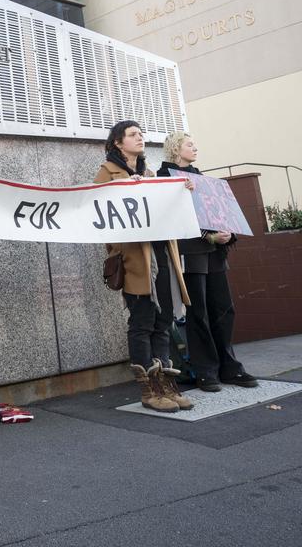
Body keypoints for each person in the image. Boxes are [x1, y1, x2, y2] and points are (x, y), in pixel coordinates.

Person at [95, 120, 193, 412]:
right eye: (133, 135)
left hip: (162, 256)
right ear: (117, 142)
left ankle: (165, 384)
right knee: (142, 322)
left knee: (163, 322)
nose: (140, 138)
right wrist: (124, 188)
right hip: (136, 261)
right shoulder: (107, 173)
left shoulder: (149, 174)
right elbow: (98, 213)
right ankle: (149, 391)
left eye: (141, 134)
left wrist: (181, 191)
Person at [158, 132, 258, 392]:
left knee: (224, 309)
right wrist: (208, 235)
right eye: (190, 144)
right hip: (189, 251)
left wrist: (226, 234)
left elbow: (215, 210)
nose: (195, 148)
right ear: (176, 148)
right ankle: (206, 372)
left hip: (214, 252)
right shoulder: (162, 178)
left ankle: (230, 367)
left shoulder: (200, 177)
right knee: (198, 313)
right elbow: (171, 217)